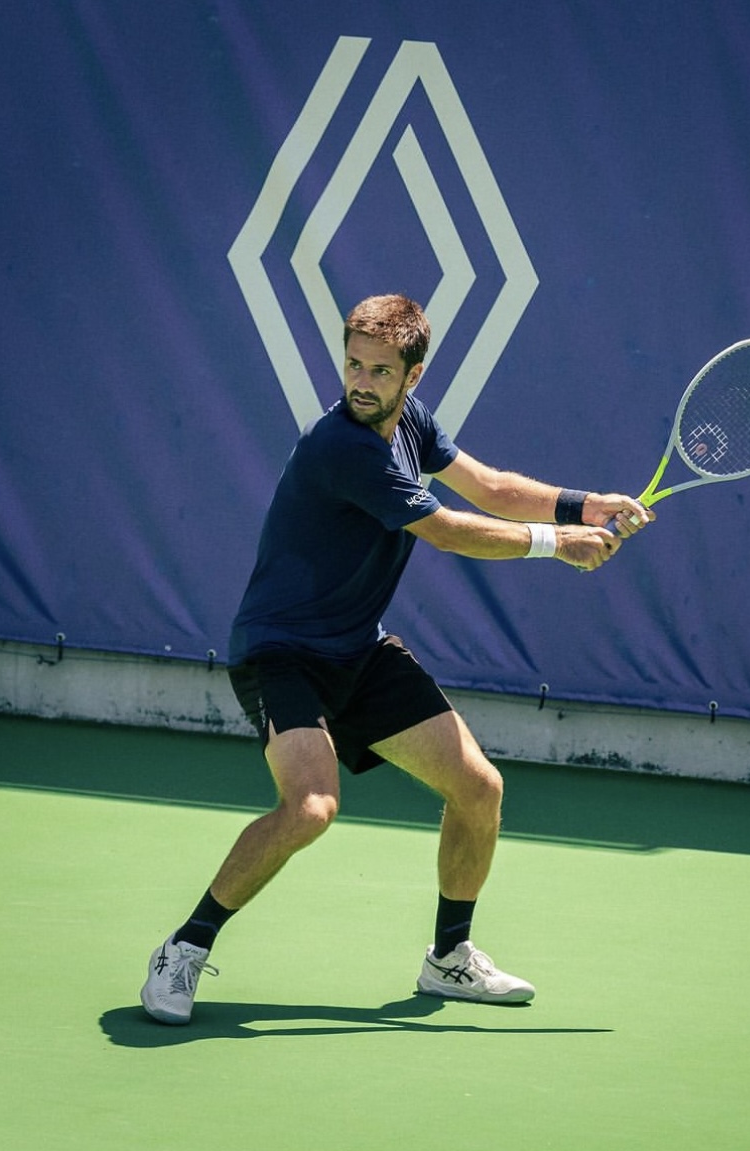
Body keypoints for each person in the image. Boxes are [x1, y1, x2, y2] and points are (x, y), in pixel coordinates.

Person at [140, 293, 652, 1024]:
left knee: (478, 789)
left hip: (359, 646)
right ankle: (184, 947)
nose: (360, 380)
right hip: (283, 652)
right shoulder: (341, 447)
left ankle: (448, 957)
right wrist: (555, 545)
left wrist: (583, 505)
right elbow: (445, 529)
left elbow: (491, 487)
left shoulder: (410, 421)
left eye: (380, 369)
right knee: (311, 807)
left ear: (412, 376)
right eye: (352, 362)